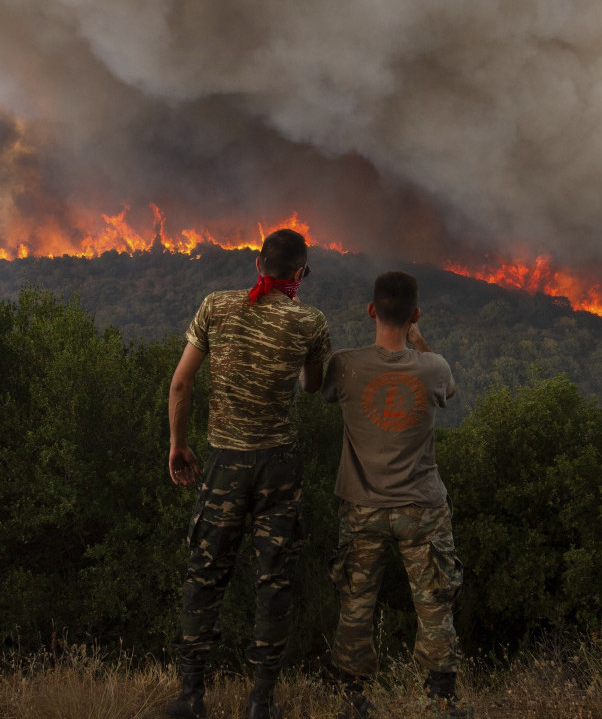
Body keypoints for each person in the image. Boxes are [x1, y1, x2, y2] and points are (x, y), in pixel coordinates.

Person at [166, 228, 332, 719]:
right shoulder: (310, 321)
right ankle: (261, 703)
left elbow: (181, 383)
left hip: (223, 463)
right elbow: (311, 386)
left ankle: (191, 696)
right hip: (277, 466)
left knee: (205, 574)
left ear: (259, 265)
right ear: (299, 273)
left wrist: (178, 444)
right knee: (273, 581)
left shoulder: (216, 306)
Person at [322, 271, 470, 719]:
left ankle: (352, 701)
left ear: (371, 310)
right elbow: (452, 389)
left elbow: (319, 390)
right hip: (421, 507)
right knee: (433, 602)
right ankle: (441, 702)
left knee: (356, 603)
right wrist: (420, 342)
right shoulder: (434, 367)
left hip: (363, 507)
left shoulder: (344, 366)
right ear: (415, 315)